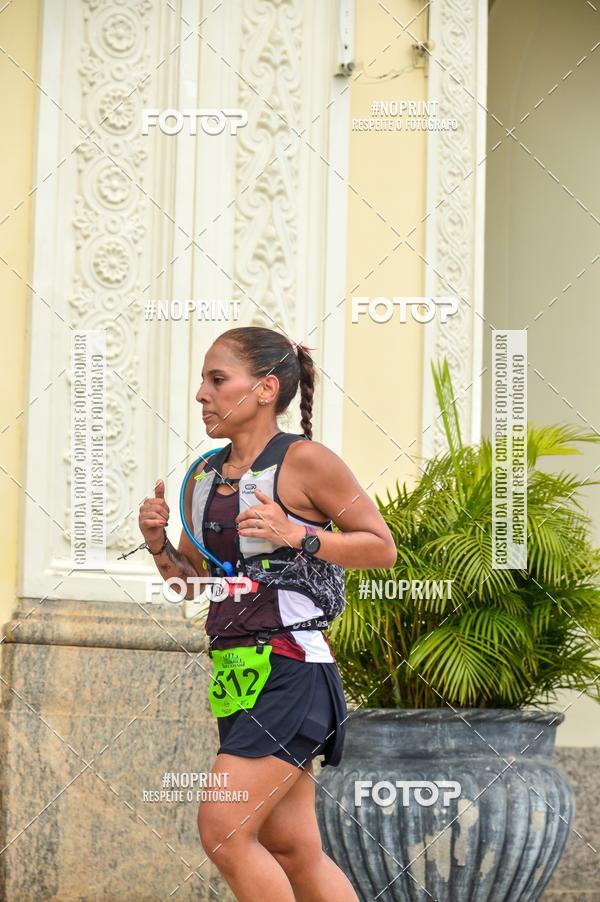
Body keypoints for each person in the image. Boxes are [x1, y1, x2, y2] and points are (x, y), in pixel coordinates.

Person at [138, 326, 397, 901]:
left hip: (292, 668)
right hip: (236, 674)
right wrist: (157, 545)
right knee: (292, 848)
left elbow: (381, 548)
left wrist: (297, 534)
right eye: (203, 381)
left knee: (224, 831)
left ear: (265, 389)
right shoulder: (202, 477)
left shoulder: (306, 462)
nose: (201, 394)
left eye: (217, 379)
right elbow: (192, 584)